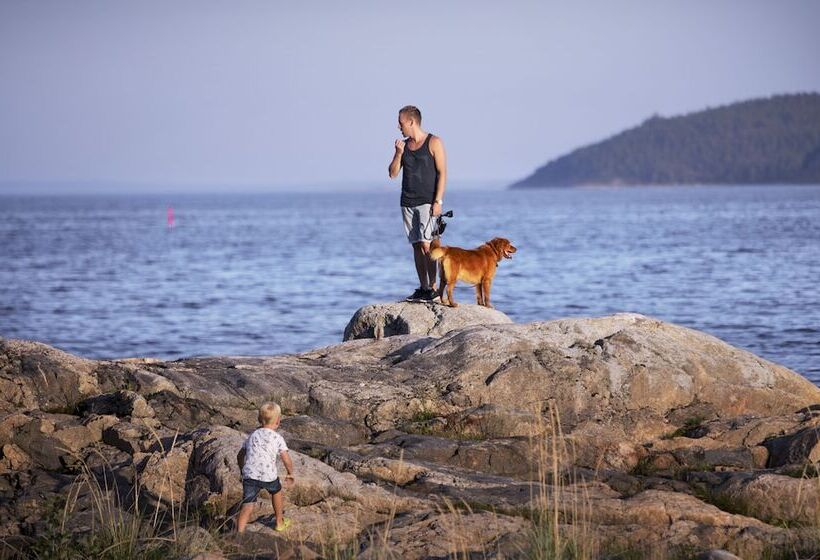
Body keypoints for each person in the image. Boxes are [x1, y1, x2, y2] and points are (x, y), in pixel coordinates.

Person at [388, 105, 447, 302]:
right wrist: (398, 153)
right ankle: (423, 287)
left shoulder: (434, 142)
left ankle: (433, 288)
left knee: (427, 245)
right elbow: (392, 173)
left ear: (411, 122)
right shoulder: (403, 146)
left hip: (427, 203)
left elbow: (442, 173)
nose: (398, 126)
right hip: (407, 202)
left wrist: (438, 200)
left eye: (401, 122)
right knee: (416, 245)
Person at [236, 401, 295, 533]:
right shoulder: (277, 438)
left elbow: (240, 456)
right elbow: (286, 459)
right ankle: (279, 522)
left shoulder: (252, 435)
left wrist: (242, 470)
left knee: (247, 505)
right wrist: (290, 473)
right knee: (276, 492)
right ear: (278, 421)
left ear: (259, 419)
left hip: (250, 475)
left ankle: (239, 533)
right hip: (268, 475)